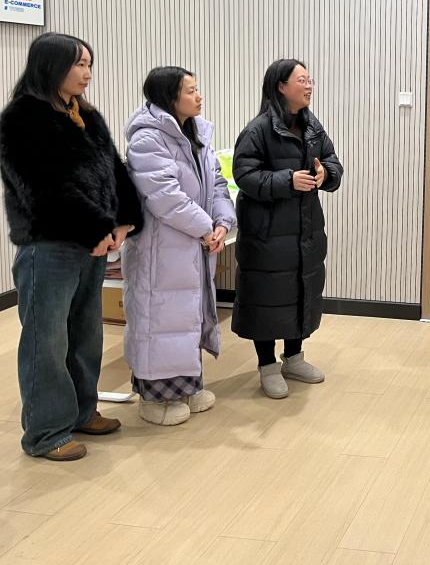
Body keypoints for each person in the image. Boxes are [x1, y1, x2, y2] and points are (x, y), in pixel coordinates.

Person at [0, 32, 143, 460]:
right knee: (46, 341)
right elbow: (43, 189)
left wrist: (123, 219)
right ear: (51, 66)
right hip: (48, 246)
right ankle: (46, 432)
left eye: (88, 63)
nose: (87, 73)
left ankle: (82, 412)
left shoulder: (85, 115)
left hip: (91, 245)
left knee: (85, 334)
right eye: (79, 64)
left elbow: (114, 170)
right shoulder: (21, 118)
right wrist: (95, 228)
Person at [121, 67, 236, 426]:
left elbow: (217, 183)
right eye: (190, 90)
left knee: (189, 317)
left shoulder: (197, 133)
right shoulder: (148, 138)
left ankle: (188, 387)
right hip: (161, 248)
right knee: (160, 319)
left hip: (194, 245)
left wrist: (222, 222)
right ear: (169, 97)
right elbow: (164, 197)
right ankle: (154, 398)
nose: (199, 96)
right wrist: (206, 228)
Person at [232, 59, 343, 399]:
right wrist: (287, 180)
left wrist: (326, 174)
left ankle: (294, 358)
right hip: (267, 233)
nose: (309, 86)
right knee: (266, 297)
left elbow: (333, 161)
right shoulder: (258, 129)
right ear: (281, 86)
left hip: (305, 229)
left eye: (310, 80)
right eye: (301, 80)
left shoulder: (312, 125)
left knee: (300, 290)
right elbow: (244, 175)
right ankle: (267, 366)